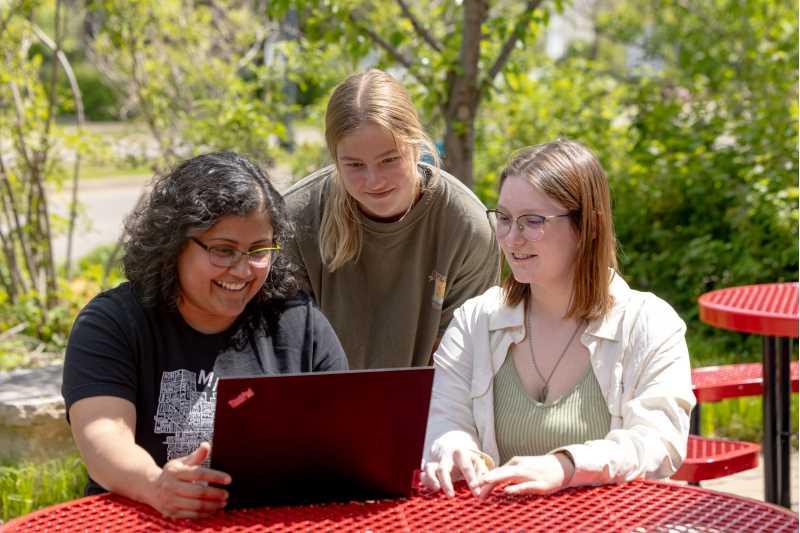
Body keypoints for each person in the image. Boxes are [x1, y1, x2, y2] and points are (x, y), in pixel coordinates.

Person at [62, 152, 348, 519]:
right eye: (223, 250)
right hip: (143, 521)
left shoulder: (297, 322)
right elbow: (103, 436)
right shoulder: (113, 324)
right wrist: (154, 484)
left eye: (260, 250)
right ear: (174, 244)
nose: (243, 269)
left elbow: (344, 438)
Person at [421, 139, 695, 498]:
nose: (511, 238)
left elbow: (659, 442)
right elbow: (445, 417)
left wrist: (566, 466)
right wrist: (453, 445)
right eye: (503, 219)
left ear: (589, 227)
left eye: (532, 222)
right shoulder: (476, 321)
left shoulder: (650, 323)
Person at [283, 69, 501, 369]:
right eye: (355, 165)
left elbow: (460, 368)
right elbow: (284, 352)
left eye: (389, 160)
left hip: (428, 408)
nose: (374, 181)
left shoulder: (467, 228)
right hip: (315, 405)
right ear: (335, 159)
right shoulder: (293, 220)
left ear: (415, 145)